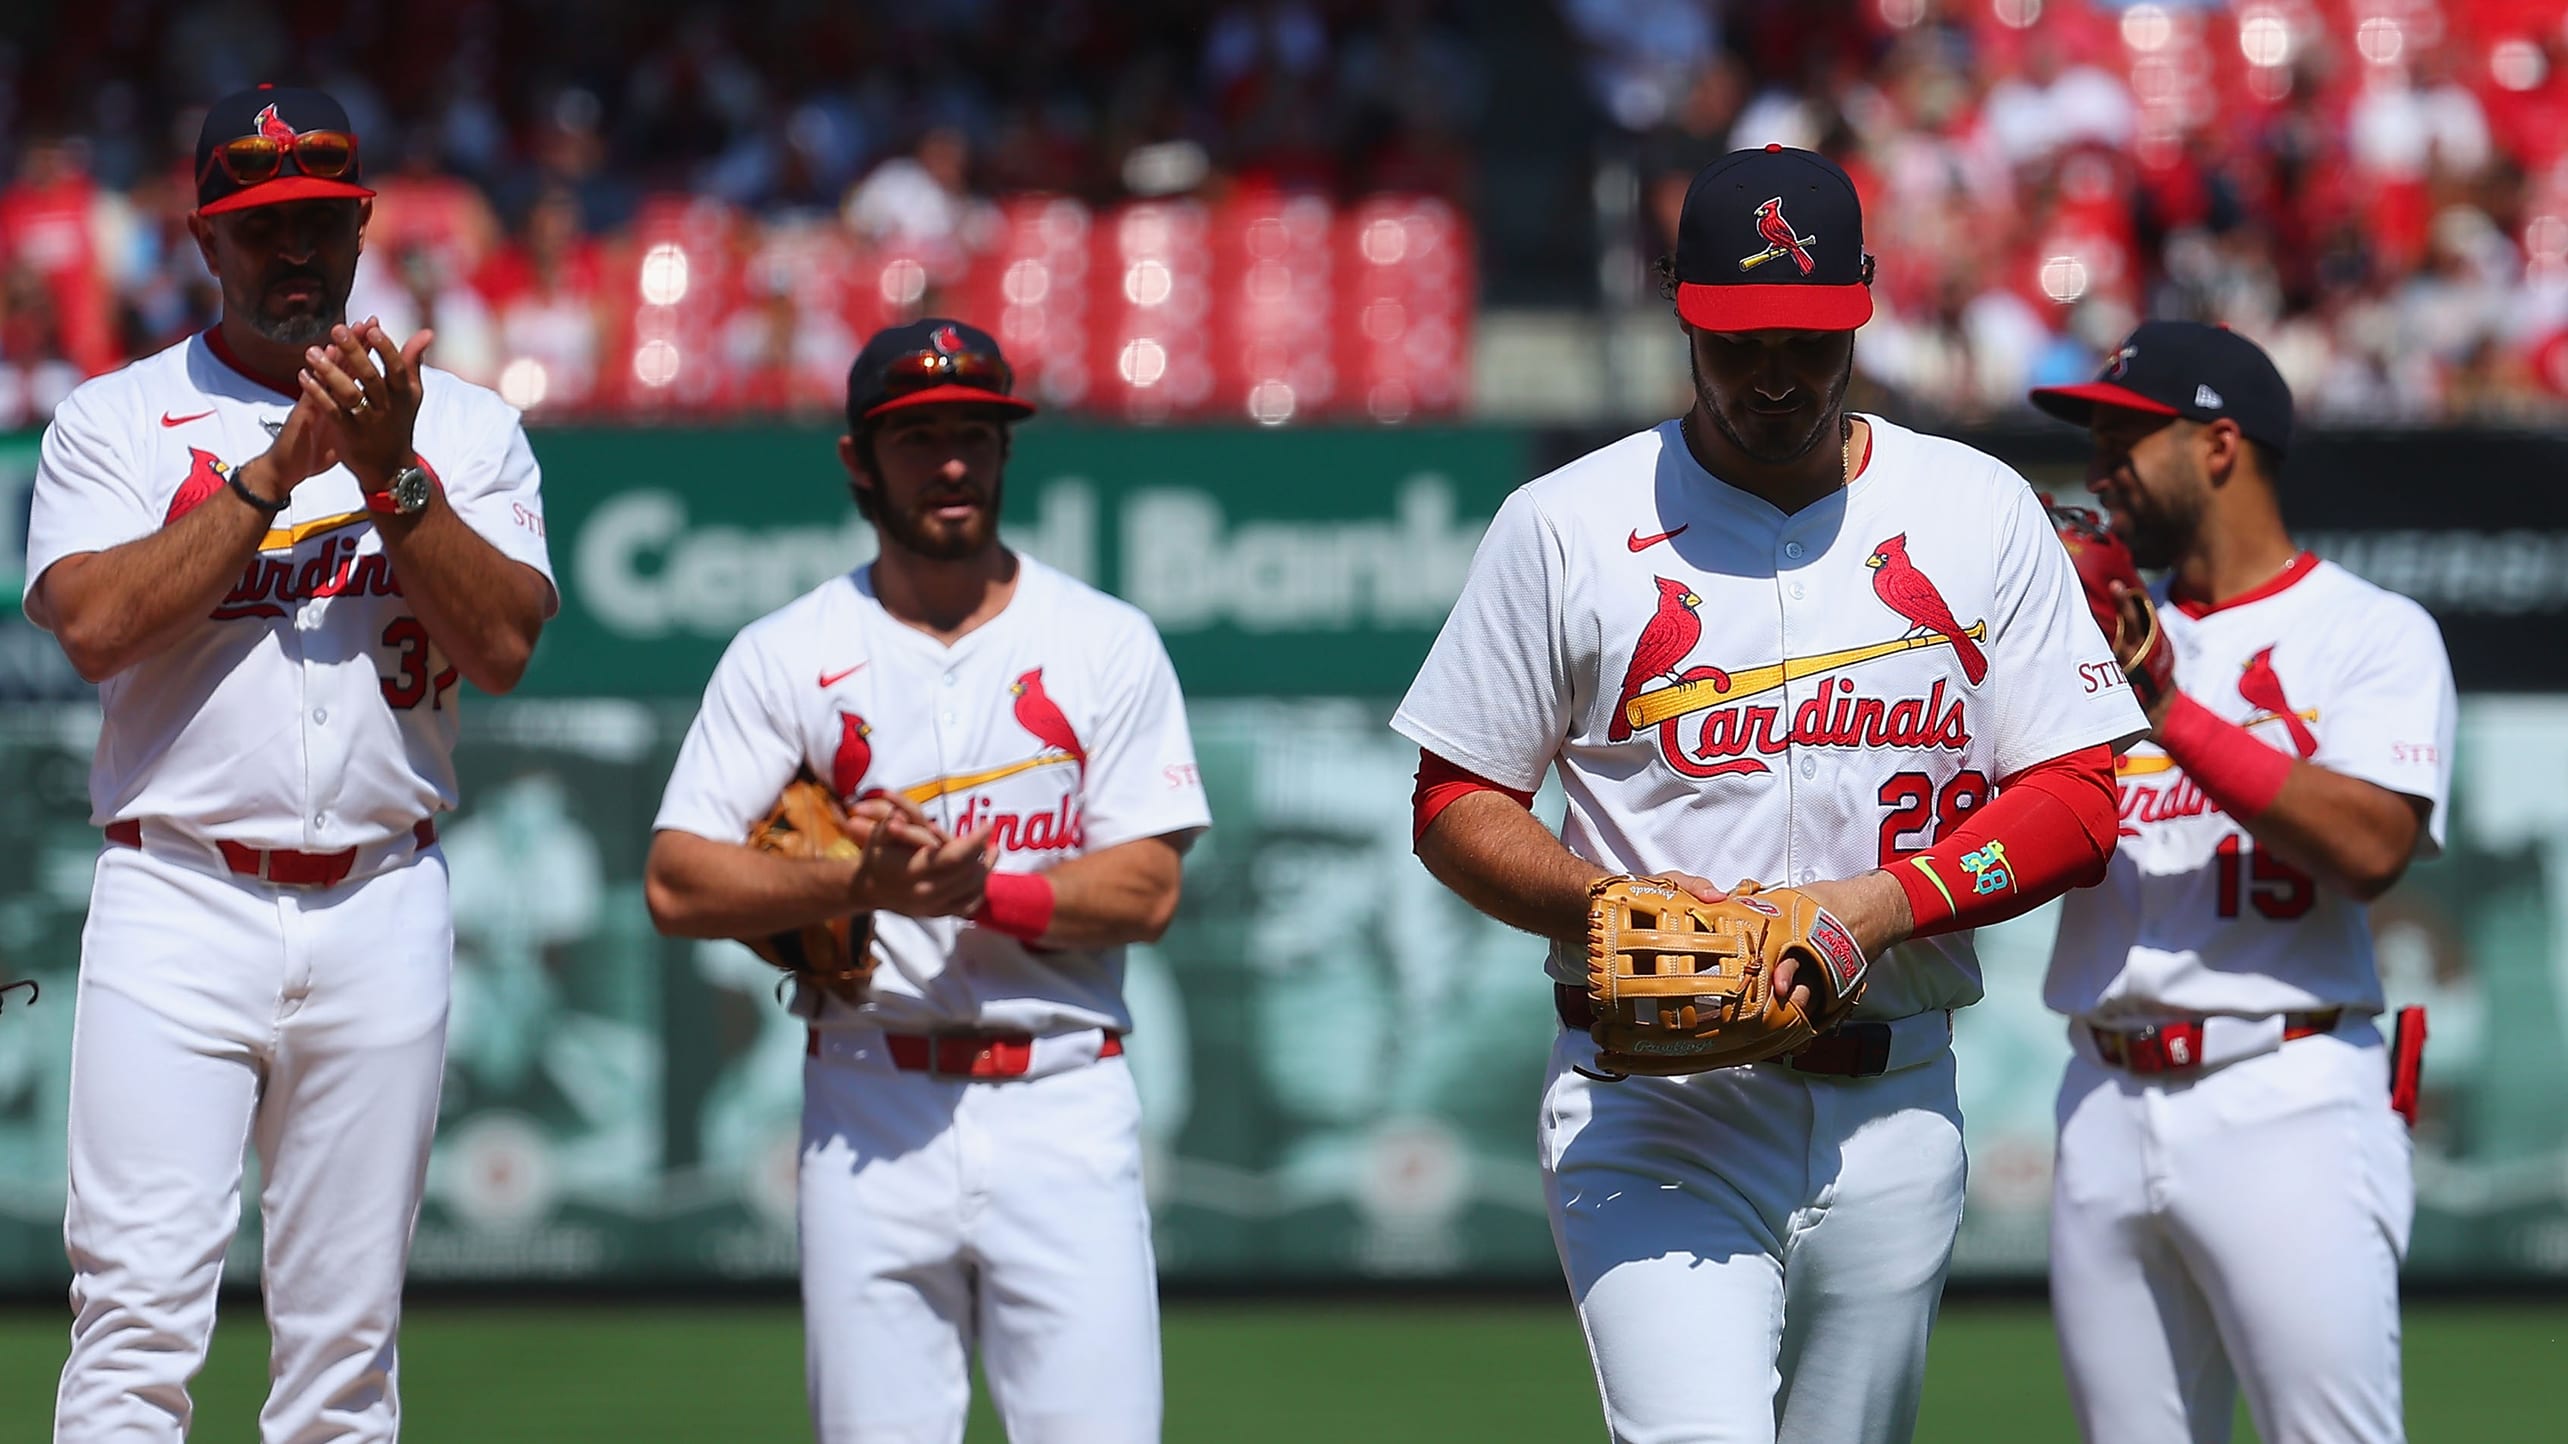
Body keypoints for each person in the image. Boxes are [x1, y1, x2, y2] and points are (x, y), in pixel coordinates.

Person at [1390, 145, 2147, 1442]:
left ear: (1861, 303)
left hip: (1894, 1092)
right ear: (1683, 310)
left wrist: (1873, 909)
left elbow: (2080, 796)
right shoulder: (1566, 524)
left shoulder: (1972, 509)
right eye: (1740, 341)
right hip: (1656, 1101)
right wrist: (1607, 896)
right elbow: (1455, 799)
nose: (1777, 374)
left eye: (1808, 335)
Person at [25, 84, 556, 1441]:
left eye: (320, 221)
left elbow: (502, 643)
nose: (296, 253)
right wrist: (275, 473)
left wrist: (391, 477)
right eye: (263, 230)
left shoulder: (469, 428)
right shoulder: (119, 420)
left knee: (345, 1353)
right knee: (138, 1324)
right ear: (207, 240)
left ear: (365, 224)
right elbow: (90, 625)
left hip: (384, 893)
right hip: (178, 895)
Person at [643, 317, 1209, 1443]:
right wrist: (857, 880)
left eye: (974, 433)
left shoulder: (1104, 641)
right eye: (915, 437)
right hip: (868, 1090)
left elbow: (1146, 889)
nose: (950, 461)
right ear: (857, 458)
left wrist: (971, 893)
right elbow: (678, 882)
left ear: (1006, 453)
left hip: (1063, 1093)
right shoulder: (787, 651)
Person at [2030, 321, 2454, 1443]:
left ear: (2221, 444)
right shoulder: (2094, 642)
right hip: (2103, 1095)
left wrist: (2167, 707)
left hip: (2288, 1090)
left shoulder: (2369, 631)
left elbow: (2370, 848)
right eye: (2095, 439)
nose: (2100, 465)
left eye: (2128, 435)